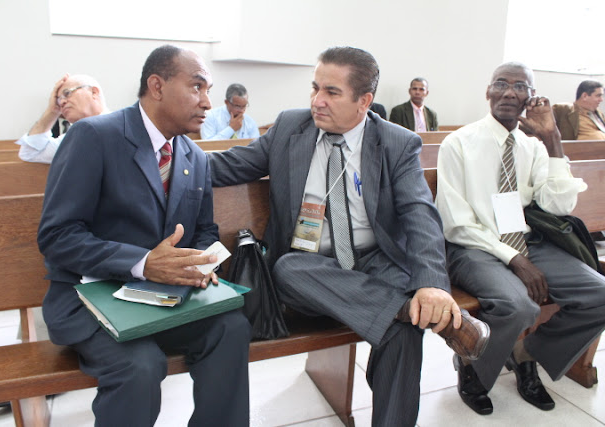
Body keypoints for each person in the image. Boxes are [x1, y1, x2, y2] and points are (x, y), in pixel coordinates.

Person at [208, 46, 489, 427]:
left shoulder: (395, 143)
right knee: (288, 270)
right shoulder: (290, 127)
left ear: (364, 101)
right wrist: (169, 159)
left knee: (404, 329)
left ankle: (405, 315)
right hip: (310, 271)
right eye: (315, 88)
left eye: (332, 92)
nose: (317, 101)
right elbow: (230, 164)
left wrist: (432, 286)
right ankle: (411, 311)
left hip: (374, 262)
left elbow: (419, 214)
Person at [37, 45, 251, 426]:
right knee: (140, 365)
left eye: (208, 90)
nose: (207, 102)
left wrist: (201, 263)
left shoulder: (195, 157)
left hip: (163, 298)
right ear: (157, 86)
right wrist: (142, 263)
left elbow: (204, 230)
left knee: (231, 328)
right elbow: (57, 236)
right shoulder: (94, 137)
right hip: (90, 298)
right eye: (197, 87)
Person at [436, 62, 605, 416]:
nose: (510, 92)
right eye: (501, 84)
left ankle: (525, 354)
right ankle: (471, 363)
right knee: (519, 307)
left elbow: (559, 205)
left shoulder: (534, 146)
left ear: (531, 96)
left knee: (600, 294)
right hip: (474, 247)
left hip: (528, 243)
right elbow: (455, 223)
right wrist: (514, 259)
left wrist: (553, 140)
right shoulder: (459, 143)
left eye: (520, 86)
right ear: (488, 91)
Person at [15, 74, 108, 163]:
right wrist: (52, 111)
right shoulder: (75, 138)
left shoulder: (116, 125)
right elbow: (29, 153)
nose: (62, 102)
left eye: (67, 93)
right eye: (58, 99)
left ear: (94, 92)